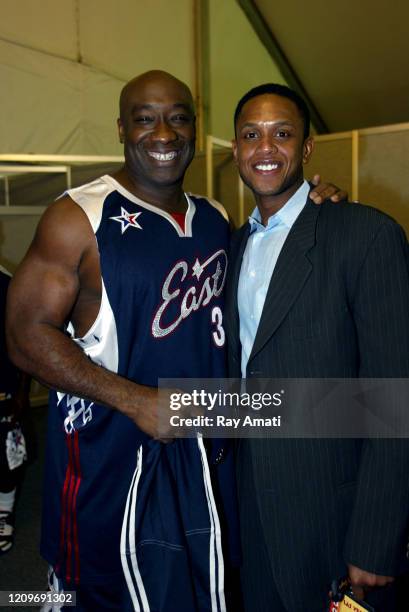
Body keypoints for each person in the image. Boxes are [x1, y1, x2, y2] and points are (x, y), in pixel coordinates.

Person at [6, 70, 344, 611]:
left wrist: (316, 202)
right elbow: (24, 337)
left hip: (206, 455)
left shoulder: (215, 217)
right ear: (121, 127)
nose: (164, 133)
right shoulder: (78, 216)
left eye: (178, 118)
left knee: (203, 588)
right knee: (100, 594)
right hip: (112, 459)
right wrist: (136, 400)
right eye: (145, 119)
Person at [225, 83, 409, 611]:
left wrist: (376, 539)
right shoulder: (231, 245)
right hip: (253, 515)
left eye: (282, 134)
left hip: (336, 519)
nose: (265, 148)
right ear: (236, 149)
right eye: (251, 135)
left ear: (306, 148)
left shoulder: (366, 235)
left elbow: (392, 397)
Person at [0, 266, 29, 554]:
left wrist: (21, 390)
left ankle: (4, 511)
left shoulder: (9, 285)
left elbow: (24, 341)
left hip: (4, 389)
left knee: (8, 457)